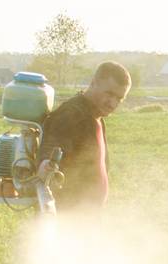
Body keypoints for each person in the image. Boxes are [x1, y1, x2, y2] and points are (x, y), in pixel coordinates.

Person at [39, 61, 130, 210]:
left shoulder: (96, 117)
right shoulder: (71, 114)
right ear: (93, 83)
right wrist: (46, 164)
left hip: (88, 215)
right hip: (69, 215)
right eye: (109, 94)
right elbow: (52, 148)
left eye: (119, 99)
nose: (112, 103)